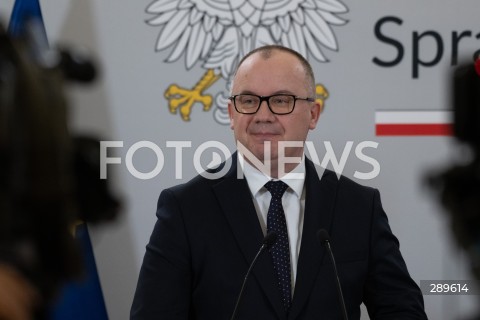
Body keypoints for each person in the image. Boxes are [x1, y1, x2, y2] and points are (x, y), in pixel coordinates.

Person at [130, 45, 427, 319]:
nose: (263, 115)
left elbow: (402, 310)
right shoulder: (185, 208)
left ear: (313, 114)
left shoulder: (359, 206)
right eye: (248, 100)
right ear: (232, 113)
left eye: (281, 100)